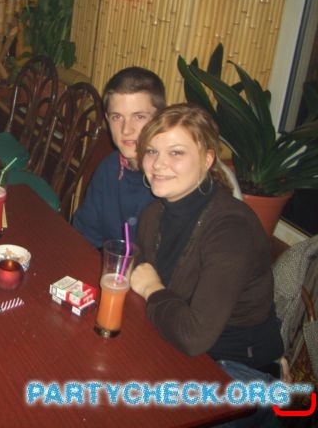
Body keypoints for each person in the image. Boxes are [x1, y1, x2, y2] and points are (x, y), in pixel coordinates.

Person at [129, 104, 284, 425]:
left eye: (176, 152)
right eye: (152, 151)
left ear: (208, 158)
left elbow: (193, 336)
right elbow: (137, 281)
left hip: (237, 372)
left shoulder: (231, 228)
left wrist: (153, 289)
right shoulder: (154, 215)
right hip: (176, 348)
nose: (158, 164)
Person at [72, 67, 167, 248]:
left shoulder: (170, 180)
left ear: (159, 119)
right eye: (117, 117)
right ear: (107, 119)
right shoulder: (108, 168)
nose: (126, 129)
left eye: (139, 116)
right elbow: (84, 235)